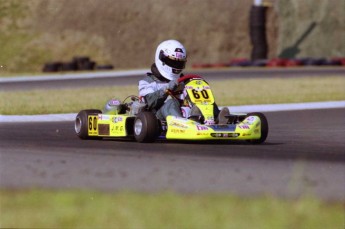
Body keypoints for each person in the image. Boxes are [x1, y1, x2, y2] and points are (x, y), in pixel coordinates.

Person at [138, 39, 230, 123]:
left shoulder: (184, 82)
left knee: (201, 98)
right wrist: (166, 89)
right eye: (173, 62)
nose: (176, 66)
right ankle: (184, 124)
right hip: (157, 118)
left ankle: (216, 117)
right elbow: (150, 102)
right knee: (171, 103)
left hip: (186, 113)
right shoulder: (147, 82)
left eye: (179, 63)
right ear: (161, 59)